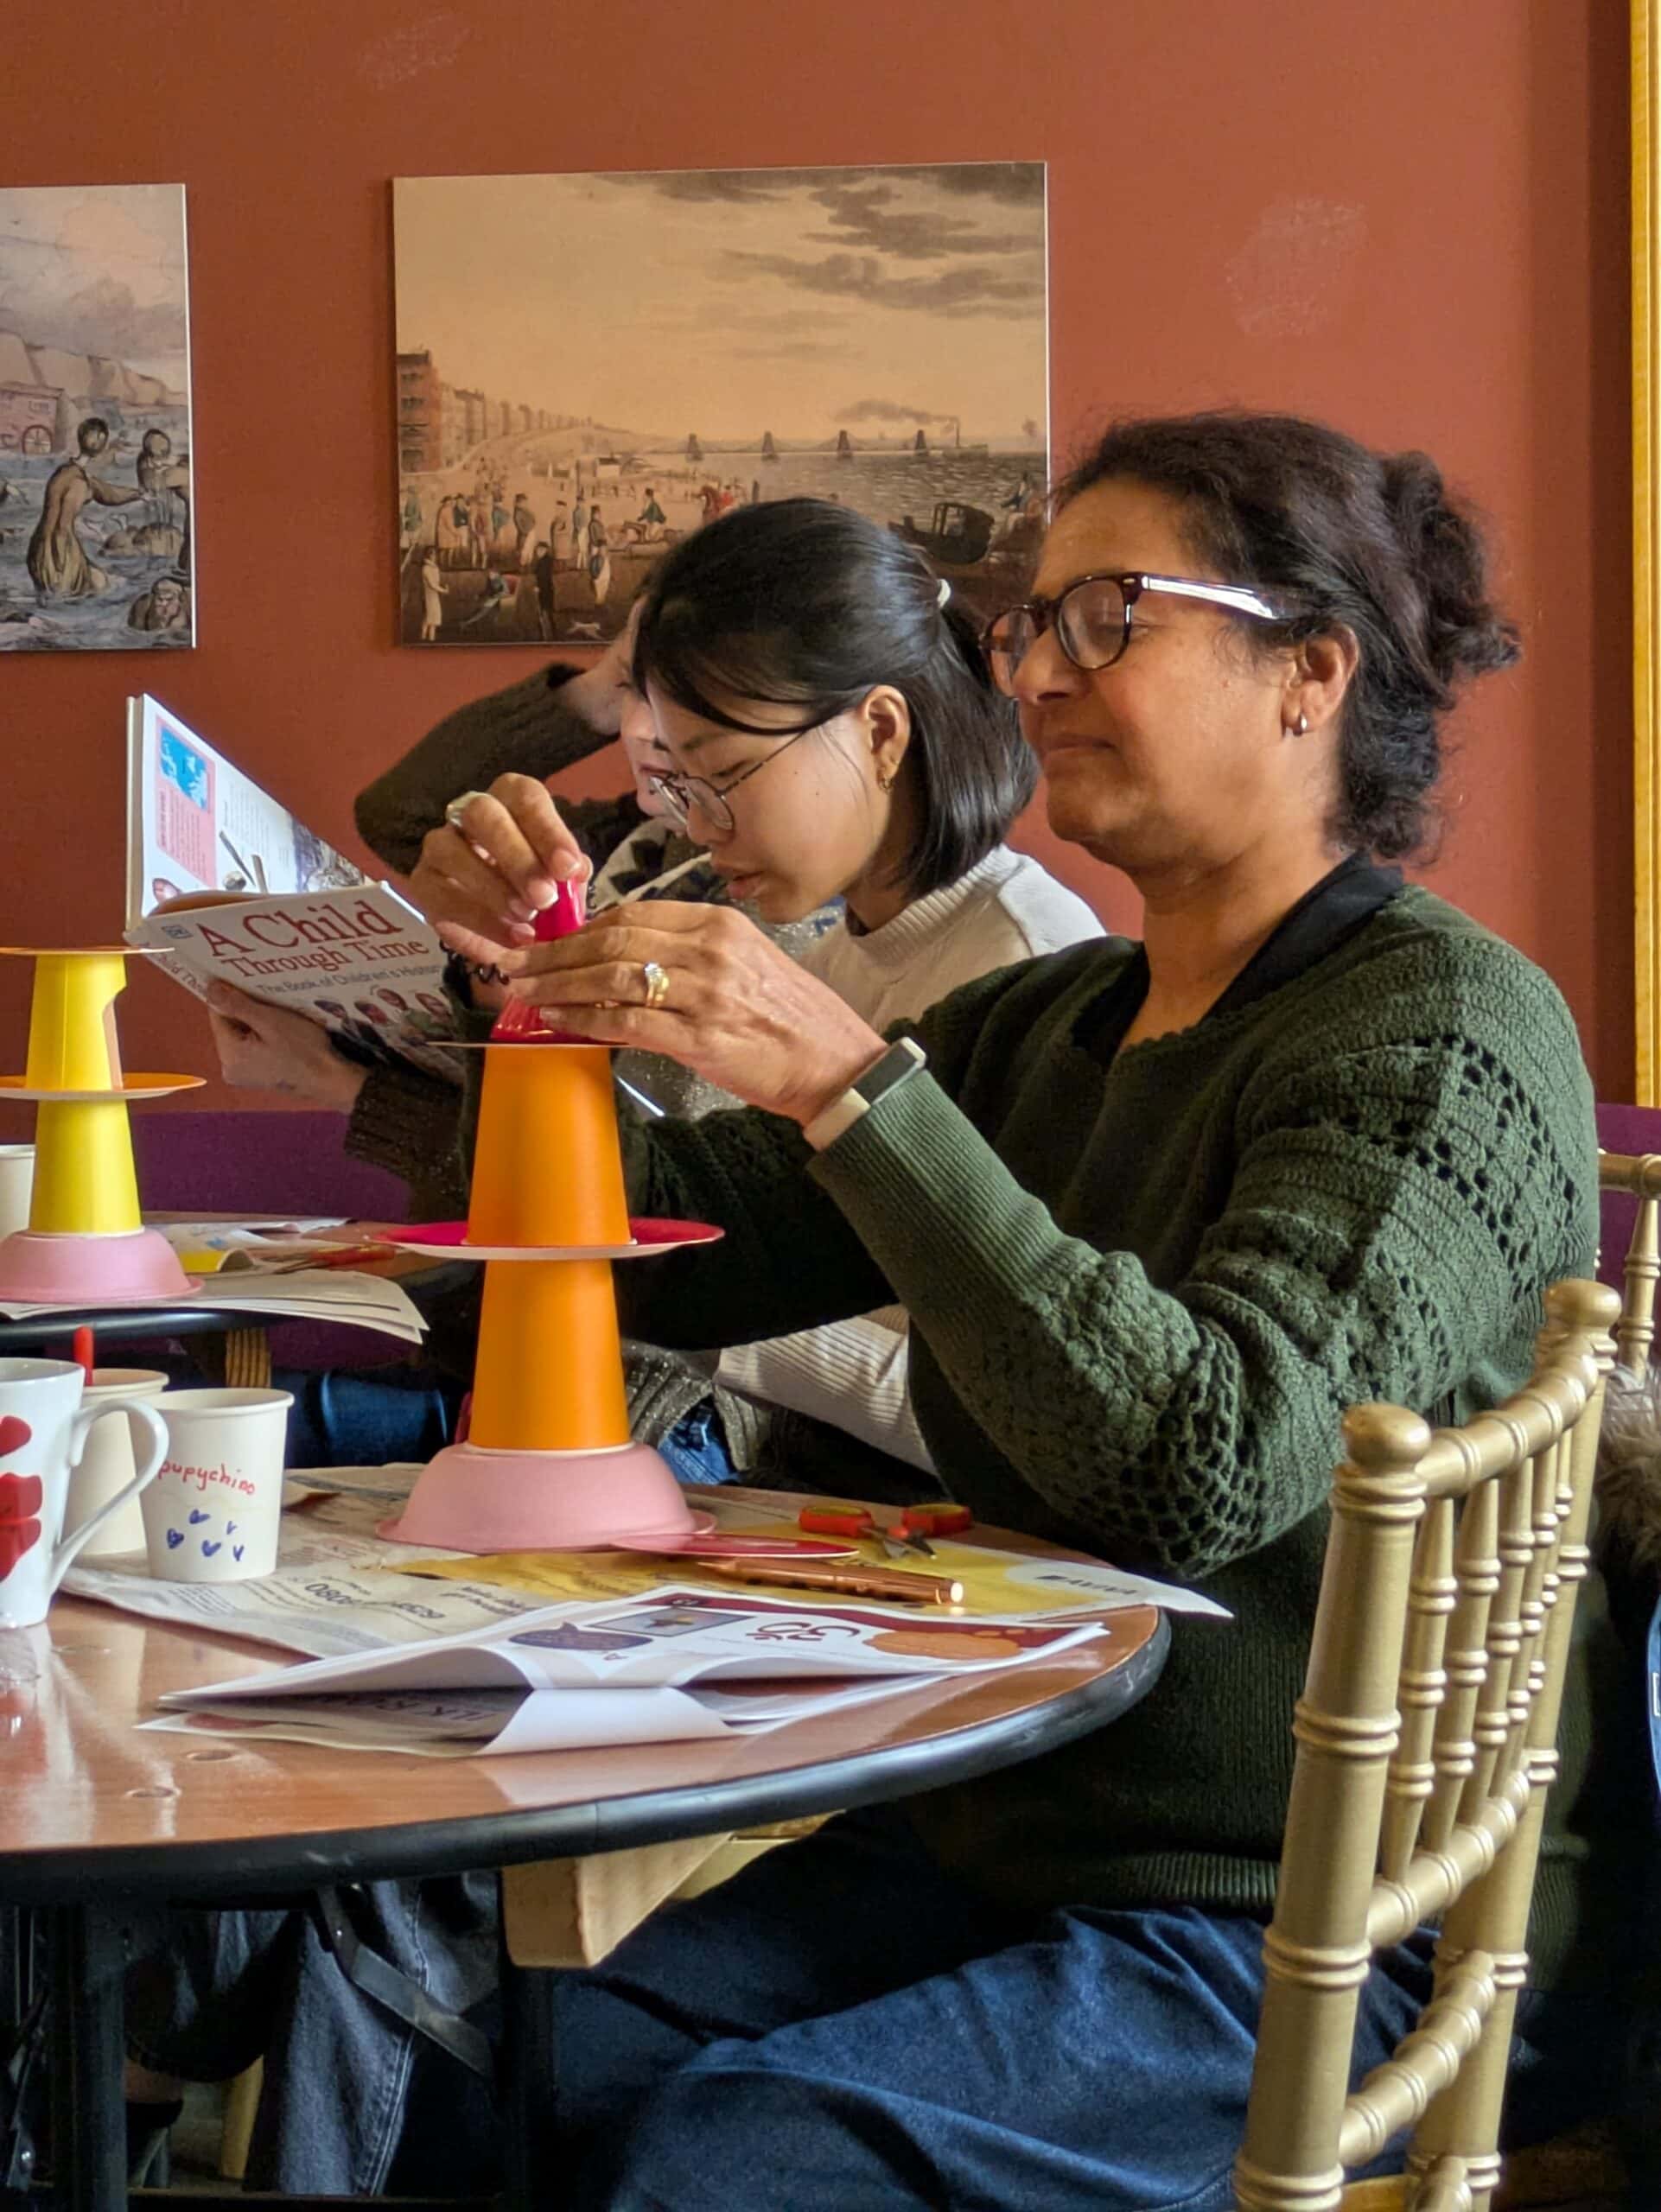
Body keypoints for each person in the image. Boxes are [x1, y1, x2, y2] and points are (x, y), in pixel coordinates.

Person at [411, 411, 1631, 2209]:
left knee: (722, 2161)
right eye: (1031, 620)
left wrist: (848, 1085)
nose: (1035, 670)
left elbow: (1200, 1455)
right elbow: (675, 1243)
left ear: (1310, 670)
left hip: (1315, 1909)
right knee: (527, 2059)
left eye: (1106, 615)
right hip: (1016, 1824)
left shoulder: (1441, 1033)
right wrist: (525, 1001)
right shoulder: (1054, 1018)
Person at [127, 502, 1100, 2196]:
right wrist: (499, 1025)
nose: (682, 821)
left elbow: (993, 1390)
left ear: (881, 727)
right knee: (241, 1736)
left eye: (714, 771)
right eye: (663, 776)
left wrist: (677, 1289)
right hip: (692, 1524)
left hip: (882, 1582)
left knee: (376, 1847)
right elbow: (633, 1187)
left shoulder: (1023, 971)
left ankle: (171, 2065)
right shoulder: (772, 904)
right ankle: (113, 2067)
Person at [25, 417, 144, 599]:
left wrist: (138, 494)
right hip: (58, 552)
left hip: (39, 546)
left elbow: (106, 492)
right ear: (102, 441)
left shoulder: (67, 471)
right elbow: (62, 526)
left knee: (98, 583)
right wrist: (61, 564)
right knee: (86, 592)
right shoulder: (78, 483)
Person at [418, 548, 446, 641]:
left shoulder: (433, 566)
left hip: (433, 595)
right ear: (428, 556)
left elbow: (435, 582)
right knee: (432, 618)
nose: (435, 556)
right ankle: (431, 639)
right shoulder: (426, 568)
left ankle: (423, 637)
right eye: (433, 554)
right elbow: (432, 584)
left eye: (435, 554)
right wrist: (443, 591)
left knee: (428, 616)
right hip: (429, 595)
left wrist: (442, 588)